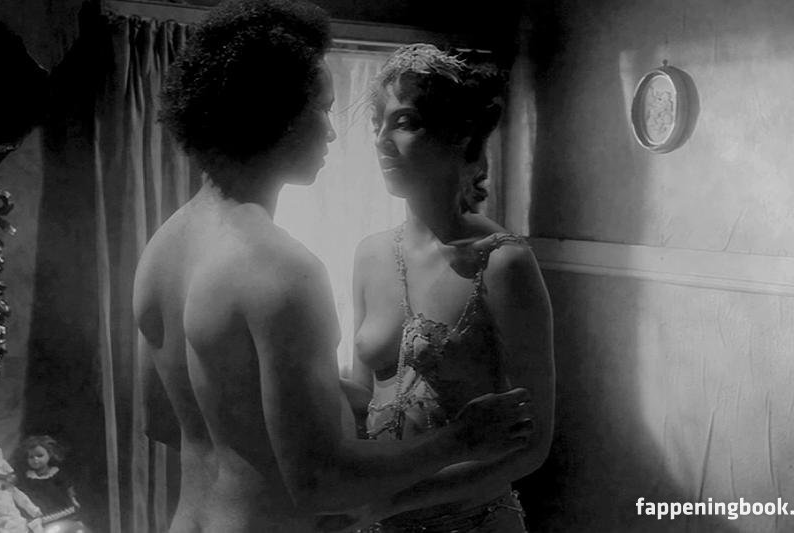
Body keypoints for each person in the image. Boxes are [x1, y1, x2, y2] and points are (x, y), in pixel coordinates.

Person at [133, 1, 535, 531]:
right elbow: (323, 482)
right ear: (273, 112)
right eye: (321, 109)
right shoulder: (280, 267)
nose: (331, 132)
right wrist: (459, 438)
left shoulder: (163, 247)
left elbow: (163, 421)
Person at [346, 44, 555, 532]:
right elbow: (358, 402)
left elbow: (532, 443)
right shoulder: (370, 254)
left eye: (404, 122)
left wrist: (392, 502)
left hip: (472, 521)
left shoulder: (502, 263)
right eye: (377, 123)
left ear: (459, 136)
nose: (382, 140)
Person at [14, 436, 82, 527]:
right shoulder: (27, 479)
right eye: (31, 457)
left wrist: (73, 499)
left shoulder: (57, 473)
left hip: (64, 511)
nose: (35, 460)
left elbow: (69, 490)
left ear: (49, 454)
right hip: (44, 517)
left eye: (40, 455)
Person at [0, 444, 43, 533]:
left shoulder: (8, 488)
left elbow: (22, 499)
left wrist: (34, 510)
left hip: (18, 522)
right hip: (0, 528)